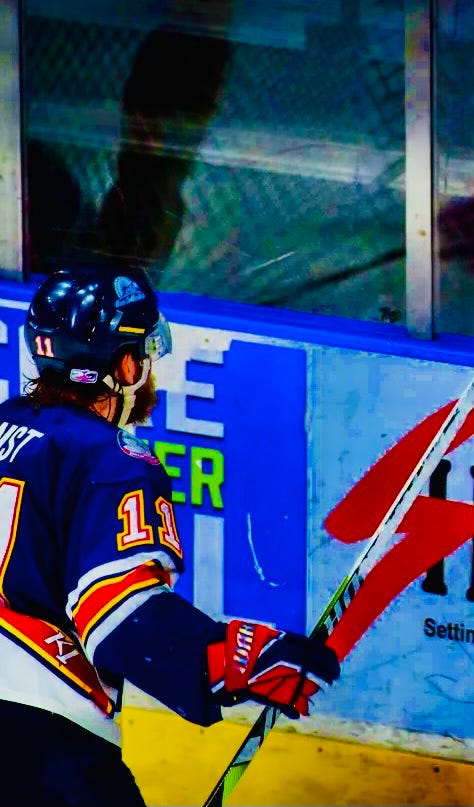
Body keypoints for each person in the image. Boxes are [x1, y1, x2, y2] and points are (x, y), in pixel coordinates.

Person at [0, 267, 340, 806]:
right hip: (36, 738)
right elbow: (118, 612)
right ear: (124, 366)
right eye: (144, 355)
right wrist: (236, 658)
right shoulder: (110, 461)